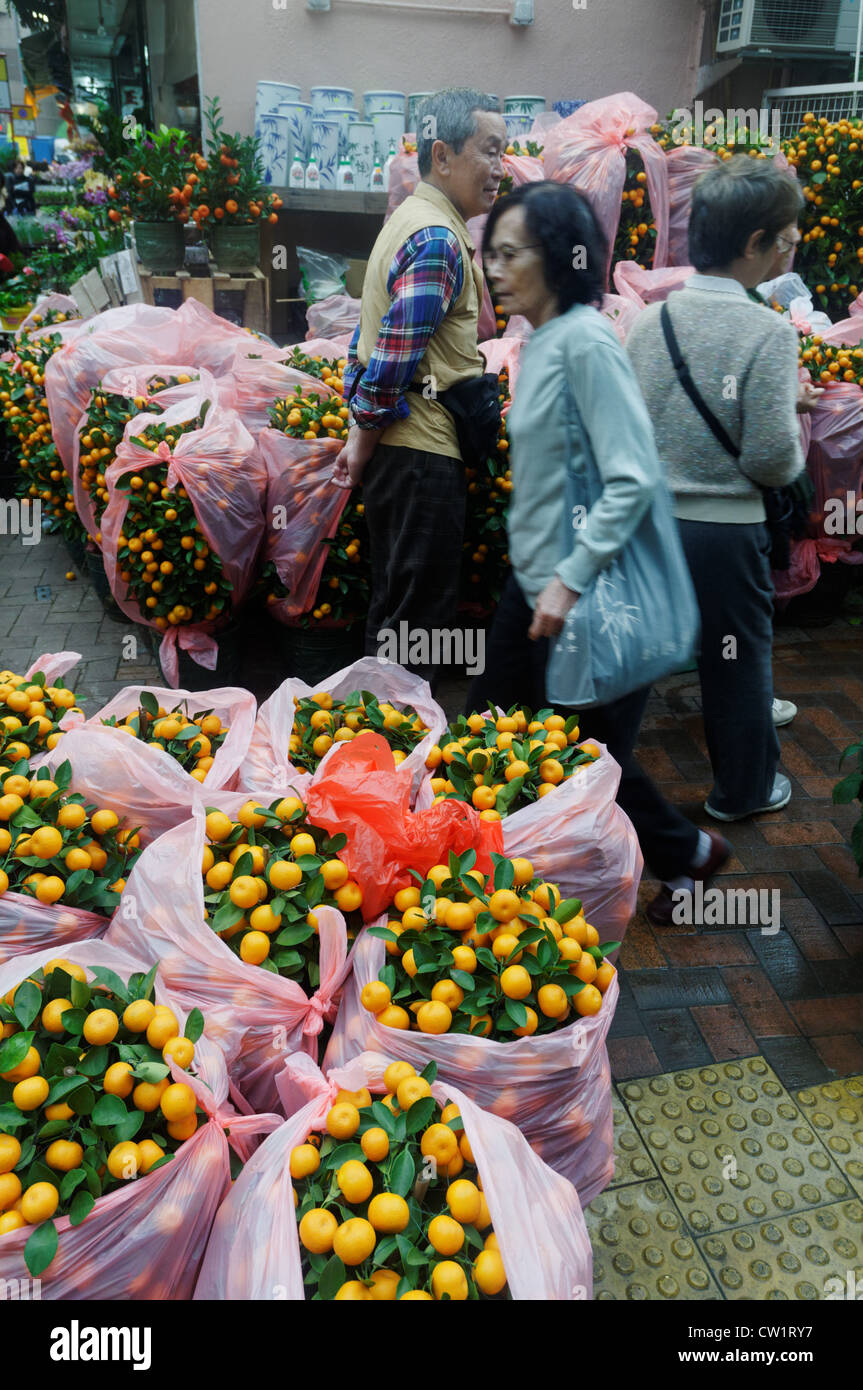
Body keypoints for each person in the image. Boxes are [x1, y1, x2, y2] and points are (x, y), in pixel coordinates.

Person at [467, 180, 730, 926]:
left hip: (581, 599)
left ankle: (683, 855)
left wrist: (568, 581)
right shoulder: (543, 341)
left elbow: (631, 477)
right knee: (513, 740)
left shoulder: (584, 343)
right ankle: (492, 879)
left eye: (509, 252)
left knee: (581, 756)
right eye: (490, 252)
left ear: (557, 257)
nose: (493, 267)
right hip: (538, 586)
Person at [626, 156, 806, 839]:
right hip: (724, 534)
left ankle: (600, 782)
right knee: (735, 663)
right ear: (753, 242)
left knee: (636, 662)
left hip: (650, 528)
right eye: (785, 237)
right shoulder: (766, 331)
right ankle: (742, 790)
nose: (790, 248)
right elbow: (767, 456)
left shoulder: (648, 323)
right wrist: (789, 420)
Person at [334, 88, 507, 686]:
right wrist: (363, 432)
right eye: (490, 151)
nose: (501, 169)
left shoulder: (410, 221)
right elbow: (395, 354)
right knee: (417, 630)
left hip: (407, 455)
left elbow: (379, 340)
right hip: (420, 454)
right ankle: (395, 755)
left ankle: (371, 753)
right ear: (443, 154)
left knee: (396, 611)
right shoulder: (436, 237)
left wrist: (365, 431)